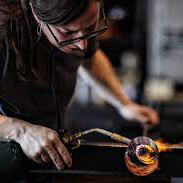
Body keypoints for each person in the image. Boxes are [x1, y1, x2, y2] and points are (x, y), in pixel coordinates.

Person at [0, 0, 159, 181]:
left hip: (52, 156)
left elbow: (90, 58)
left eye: (91, 27)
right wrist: (20, 131)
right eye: (68, 32)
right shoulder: (4, 33)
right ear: (38, 17)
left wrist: (124, 103)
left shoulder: (80, 24)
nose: (82, 45)